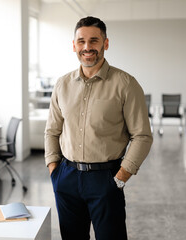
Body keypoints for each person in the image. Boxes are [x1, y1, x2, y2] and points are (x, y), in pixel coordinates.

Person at [44, 16, 153, 240]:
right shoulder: (62, 84)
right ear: (74, 45)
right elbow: (52, 130)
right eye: (81, 41)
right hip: (67, 176)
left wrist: (121, 177)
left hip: (106, 179)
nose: (87, 47)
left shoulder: (125, 84)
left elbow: (142, 135)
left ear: (105, 43)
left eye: (94, 41)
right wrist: (54, 170)